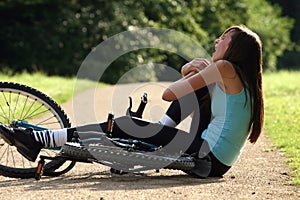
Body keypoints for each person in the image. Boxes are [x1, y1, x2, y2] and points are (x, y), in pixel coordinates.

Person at [0, 25, 264, 178]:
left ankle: (41, 139)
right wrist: (190, 70)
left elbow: (170, 94)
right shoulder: (239, 76)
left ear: (234, 49)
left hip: (209, 158)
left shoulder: (224, 68)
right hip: (216, 160)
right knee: (196, 92)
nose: (217, 40)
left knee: (124, 123)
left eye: (224, 39)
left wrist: (189, 70)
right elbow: (189, 90)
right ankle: (151, 136)